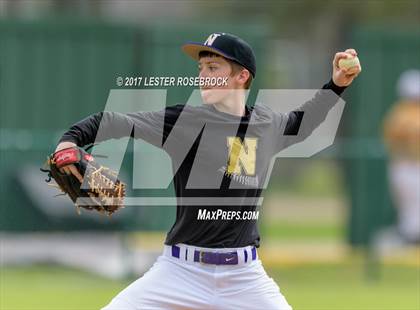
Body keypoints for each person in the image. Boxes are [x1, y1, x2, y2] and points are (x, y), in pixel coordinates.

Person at [55, 33, 361, 309]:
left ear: (243, 76)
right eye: (201, 69)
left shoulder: (267, 124)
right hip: (180, 272)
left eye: (214, 68)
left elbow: (302, 122)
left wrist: (337, 85)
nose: (203, 76)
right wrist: (69, 142)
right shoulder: (185, 122)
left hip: (244, 277)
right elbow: (113, 120)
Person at [383, 69, 420, 244]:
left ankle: (405, 241)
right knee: (412, 213)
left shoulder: (397, 113)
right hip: (408, 167)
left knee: (410, 213)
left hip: (404, 167)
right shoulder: (403, 116)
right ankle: (405, 243)